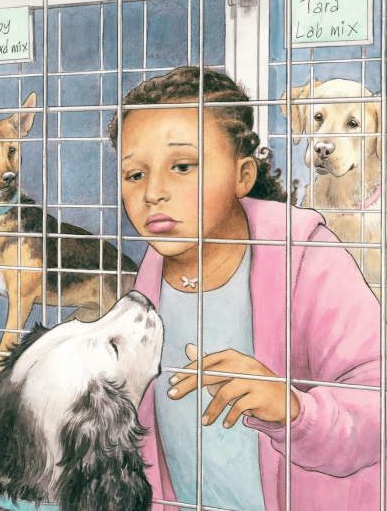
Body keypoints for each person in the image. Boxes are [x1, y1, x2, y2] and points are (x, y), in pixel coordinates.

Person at [108, 66, 382, 511]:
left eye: (182, 166)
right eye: (134, 174)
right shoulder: (152, 272)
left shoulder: (308, 258)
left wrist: (291, 408)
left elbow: (378, 399)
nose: (153, 192)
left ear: (243, 175)